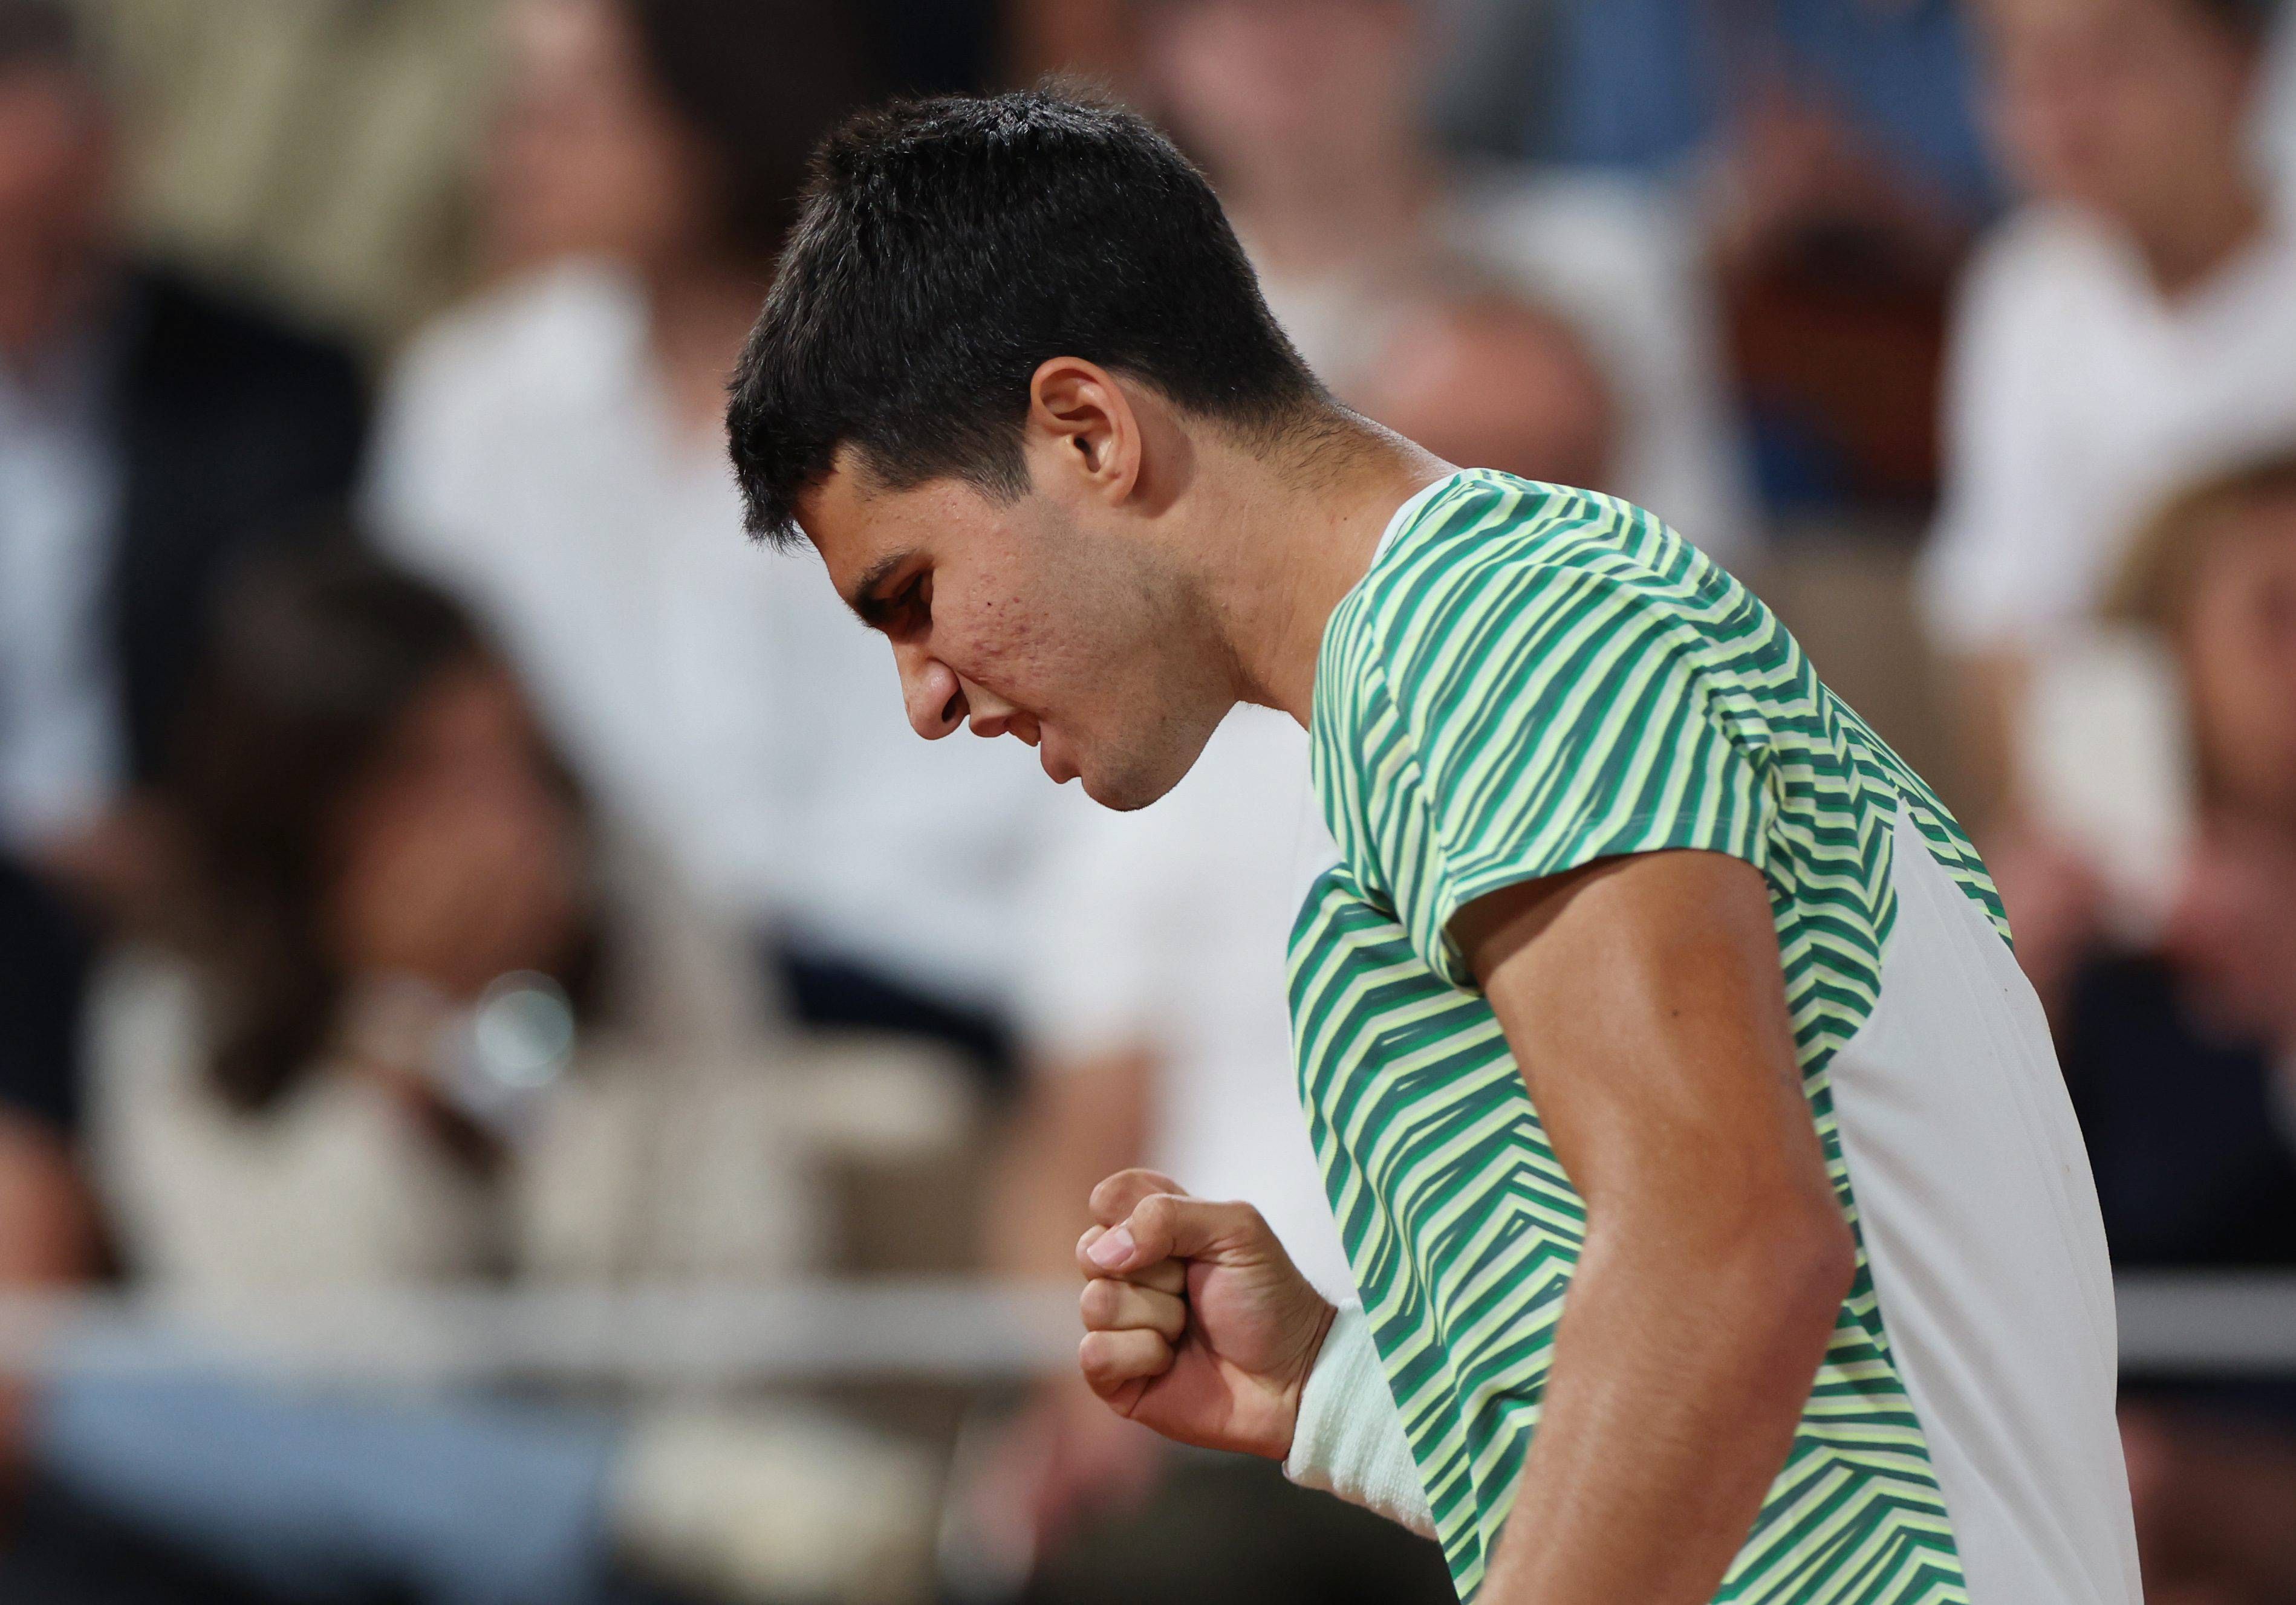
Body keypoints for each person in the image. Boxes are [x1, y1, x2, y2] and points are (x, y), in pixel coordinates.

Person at [726, 89, 2140, 1603]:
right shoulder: (1446, 683)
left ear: (1087, 432)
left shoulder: (1485, 628)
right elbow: (1774, 1449)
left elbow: (1728, 1257)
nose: (924, 695)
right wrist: (1328, 1392)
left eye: (909, 591)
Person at [369, 0, 1068, 1088]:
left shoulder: (966, 388)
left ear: (711, 109)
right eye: (516, 105)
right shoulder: (473, 400)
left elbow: (1022, 779)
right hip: (588, 1012)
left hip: (918, 1004)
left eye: (570, 108)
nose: (514, 147)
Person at [1137, 0, 1757, 567]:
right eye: (1213, 9)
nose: (1270, 37)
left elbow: (1702, 567)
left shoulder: (1610, 255)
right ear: (1160, 52)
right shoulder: (1139, 319)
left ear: (1416, 23)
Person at [1921, 0, 2296, 817]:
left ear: (2239, 67)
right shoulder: (2023, 291)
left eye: (2109, 60)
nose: (2058, 111)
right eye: (2017, 65)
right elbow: (2000, 635)